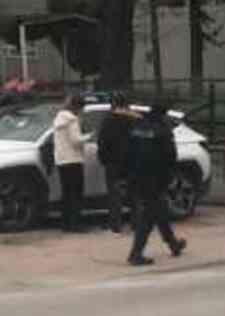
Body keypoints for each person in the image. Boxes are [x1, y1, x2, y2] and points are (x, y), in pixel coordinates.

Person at [125, 105, 186, 266]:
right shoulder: (163, 131)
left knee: (160, 210)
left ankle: (173, 243)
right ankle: (135, 254)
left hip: (137, 177)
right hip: (154, 179)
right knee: (149, 216)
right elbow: (170, 157)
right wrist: (168, 178)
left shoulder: (137, 128)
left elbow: (127, 153)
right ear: (163, 115)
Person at [97, 93, 140, 233]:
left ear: (114, 104)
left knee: (114, 194)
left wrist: (103, 158)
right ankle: (136, 223)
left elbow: (102, 141)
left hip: (114, 161)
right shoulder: (136, 118)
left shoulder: (109, 119)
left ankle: (116, 224)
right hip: (133, 161)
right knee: (135, 193)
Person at [53, 94, 88, 232]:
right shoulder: (73, 120)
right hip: (74, 159)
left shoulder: (58, 119)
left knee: (67, 192)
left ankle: (66, 223)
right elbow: (76, 140)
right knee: (76, 193)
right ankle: (76, 224)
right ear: (77, 107)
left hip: (61, 160)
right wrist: (88, 136)